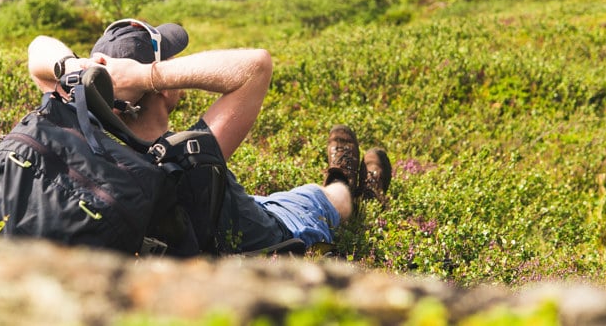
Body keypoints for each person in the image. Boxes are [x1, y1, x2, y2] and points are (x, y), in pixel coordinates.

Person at [28, 18, 392, 253]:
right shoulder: (188, 157)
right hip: (266, 230)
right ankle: (348, 183)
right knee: (316, 199)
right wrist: (145, 76)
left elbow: (37, 51)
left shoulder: (94, 142)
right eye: (166, 61)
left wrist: (73, 67)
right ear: (163, 89)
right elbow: (257, 65)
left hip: (223, 214)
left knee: (264, 196)